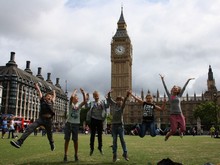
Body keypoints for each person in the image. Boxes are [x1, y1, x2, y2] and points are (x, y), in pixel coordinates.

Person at [10, 83, 56, 151]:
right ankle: (19, 142)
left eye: (50, 97)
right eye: (48, 96)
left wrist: (54, 92)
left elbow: (54, 96)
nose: (49, 97)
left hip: (49, 120)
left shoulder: (52, 102)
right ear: (45, 97)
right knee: (30, 128)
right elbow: (39, 93)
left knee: (49, 135)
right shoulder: (42, 101)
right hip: (41, 119)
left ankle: (51, 143)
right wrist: (37, 87)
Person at [159, 74, 194, 141]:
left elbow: (184, 88)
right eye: (174, 88)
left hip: (180, 114)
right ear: (172, 89)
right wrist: (162, 79)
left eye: (176, 88)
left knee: (183, 129)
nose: (175, 88)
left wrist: (188, 80)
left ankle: (181, 132)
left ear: (178, 90)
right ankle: (167, 136)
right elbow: (165, 87)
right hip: (173, 115)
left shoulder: (179, 96)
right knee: (174, 130)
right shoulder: (169, 96)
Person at [106, 89, 130, 162]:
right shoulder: (113, 104)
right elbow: (109, 99)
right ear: (116, 101)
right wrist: (109, 92)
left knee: (122, 140)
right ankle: (115, 155)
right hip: (114, 126)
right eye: (118, 100)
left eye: (121, 100)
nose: (119, 101)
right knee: (114, 141)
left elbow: (125, 101)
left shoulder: (122, 107)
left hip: (120, 126)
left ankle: (125, 153)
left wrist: (127, 96)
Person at [63, 88, 86, 162]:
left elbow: (85, 101)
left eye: (77, 98)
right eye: (76, 98)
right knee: (67, 140)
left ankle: (76, 155)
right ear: (73, 99)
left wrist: (83, 93)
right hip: (69, 124)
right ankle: (65, 155)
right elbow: (71, 97)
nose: (77, 99)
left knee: (75, 140)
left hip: (76, 124)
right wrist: (75, 91)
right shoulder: (70, 104)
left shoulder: (79, 106)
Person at [86, 90, 108, 156]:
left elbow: (108, 105)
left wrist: (108, 98)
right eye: (95, 96)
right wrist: (86, 99)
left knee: (100, 135)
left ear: (99, 96)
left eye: (97, 95)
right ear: (93, 96)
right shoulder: (92, 103)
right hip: (93, 120)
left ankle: (100, 147)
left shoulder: (102, 102)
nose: (96, 97)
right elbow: (86, 106)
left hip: (100, 120)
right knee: (92, 135)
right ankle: (91, 148)